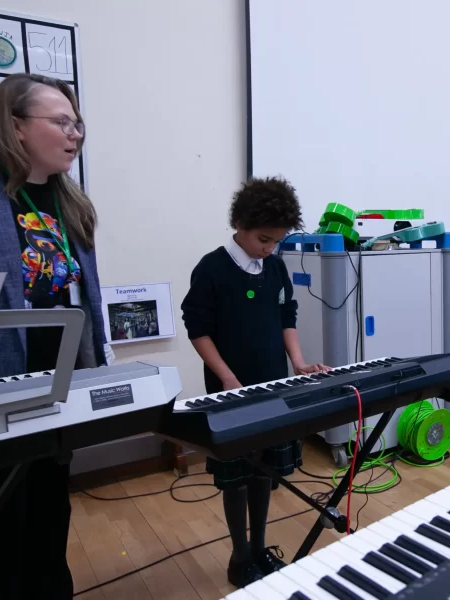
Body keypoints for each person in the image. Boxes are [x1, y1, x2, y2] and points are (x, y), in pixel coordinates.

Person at [0, 73, 108, 598]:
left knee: (52, 507)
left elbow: (81, 298)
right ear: (14, 126)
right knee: (0, 519)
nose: (75, 133)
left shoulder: (68, 199)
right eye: (62, 122)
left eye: (78, 123)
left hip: (58, 387)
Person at [180, 176, 328, 587]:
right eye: (264, 239)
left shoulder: (275, 267)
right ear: (241, 224)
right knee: (238, 477)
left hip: (273, 387)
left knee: (265, 472)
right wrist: (227, 377)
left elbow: (286, 318)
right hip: (231, 393)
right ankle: (239, 556)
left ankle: (260, 549)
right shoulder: (212, 268)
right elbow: (198, 328)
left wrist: (298, 363)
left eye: (276, 241)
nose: (270, 248)